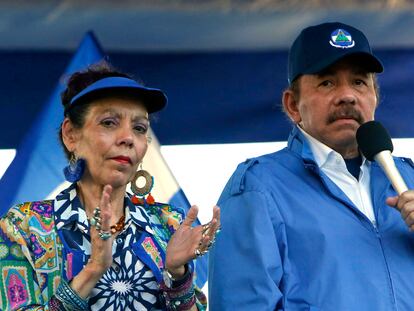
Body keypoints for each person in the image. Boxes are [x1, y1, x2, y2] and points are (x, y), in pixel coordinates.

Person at [208, 21, 414, 310]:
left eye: (359, 82)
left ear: (375, 97)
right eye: (327, 82)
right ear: (293, 105)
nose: (347, 95)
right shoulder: (258, 187)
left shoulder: (408, 178)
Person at [0, 62, 220, 311]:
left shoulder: (168, 223)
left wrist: (178, 274)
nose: (127, 138)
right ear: (71, 134)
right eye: (108, 123)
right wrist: (93, 270)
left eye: (139, 128)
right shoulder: (23, 227)